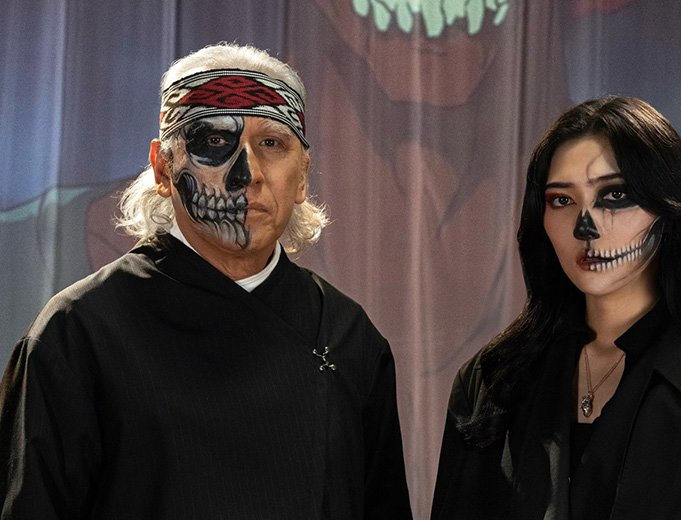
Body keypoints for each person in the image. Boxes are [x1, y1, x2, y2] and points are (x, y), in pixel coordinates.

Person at [0, 43, 412, 520]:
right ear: (163, 168)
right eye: (215, 141)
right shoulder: (79, 333)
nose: (248, 174)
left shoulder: (348, 336)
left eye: (272, 144)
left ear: (302, 175)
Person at [431, 96, 681, 519]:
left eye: (615, 194)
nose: (584, 227)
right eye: (562, 200)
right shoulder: (492, 383)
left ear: (667, 209)